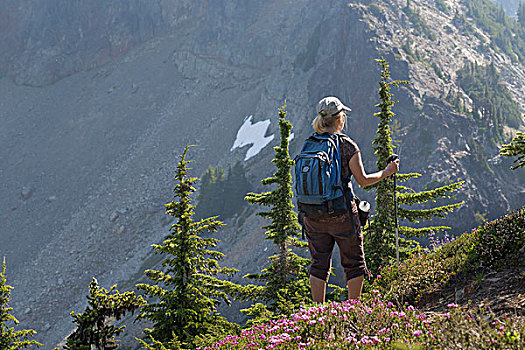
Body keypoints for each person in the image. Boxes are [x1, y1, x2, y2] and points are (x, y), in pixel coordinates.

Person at [305, 96, 399, 302]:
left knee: (319, 264)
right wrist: (387, 171)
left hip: (312, 214)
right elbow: (363, 180)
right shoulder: (346, 145)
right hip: (341, 213)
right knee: (354, 263)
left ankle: (316, 314)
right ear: (339, 118)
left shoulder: (310, 143)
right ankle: (352, 310)